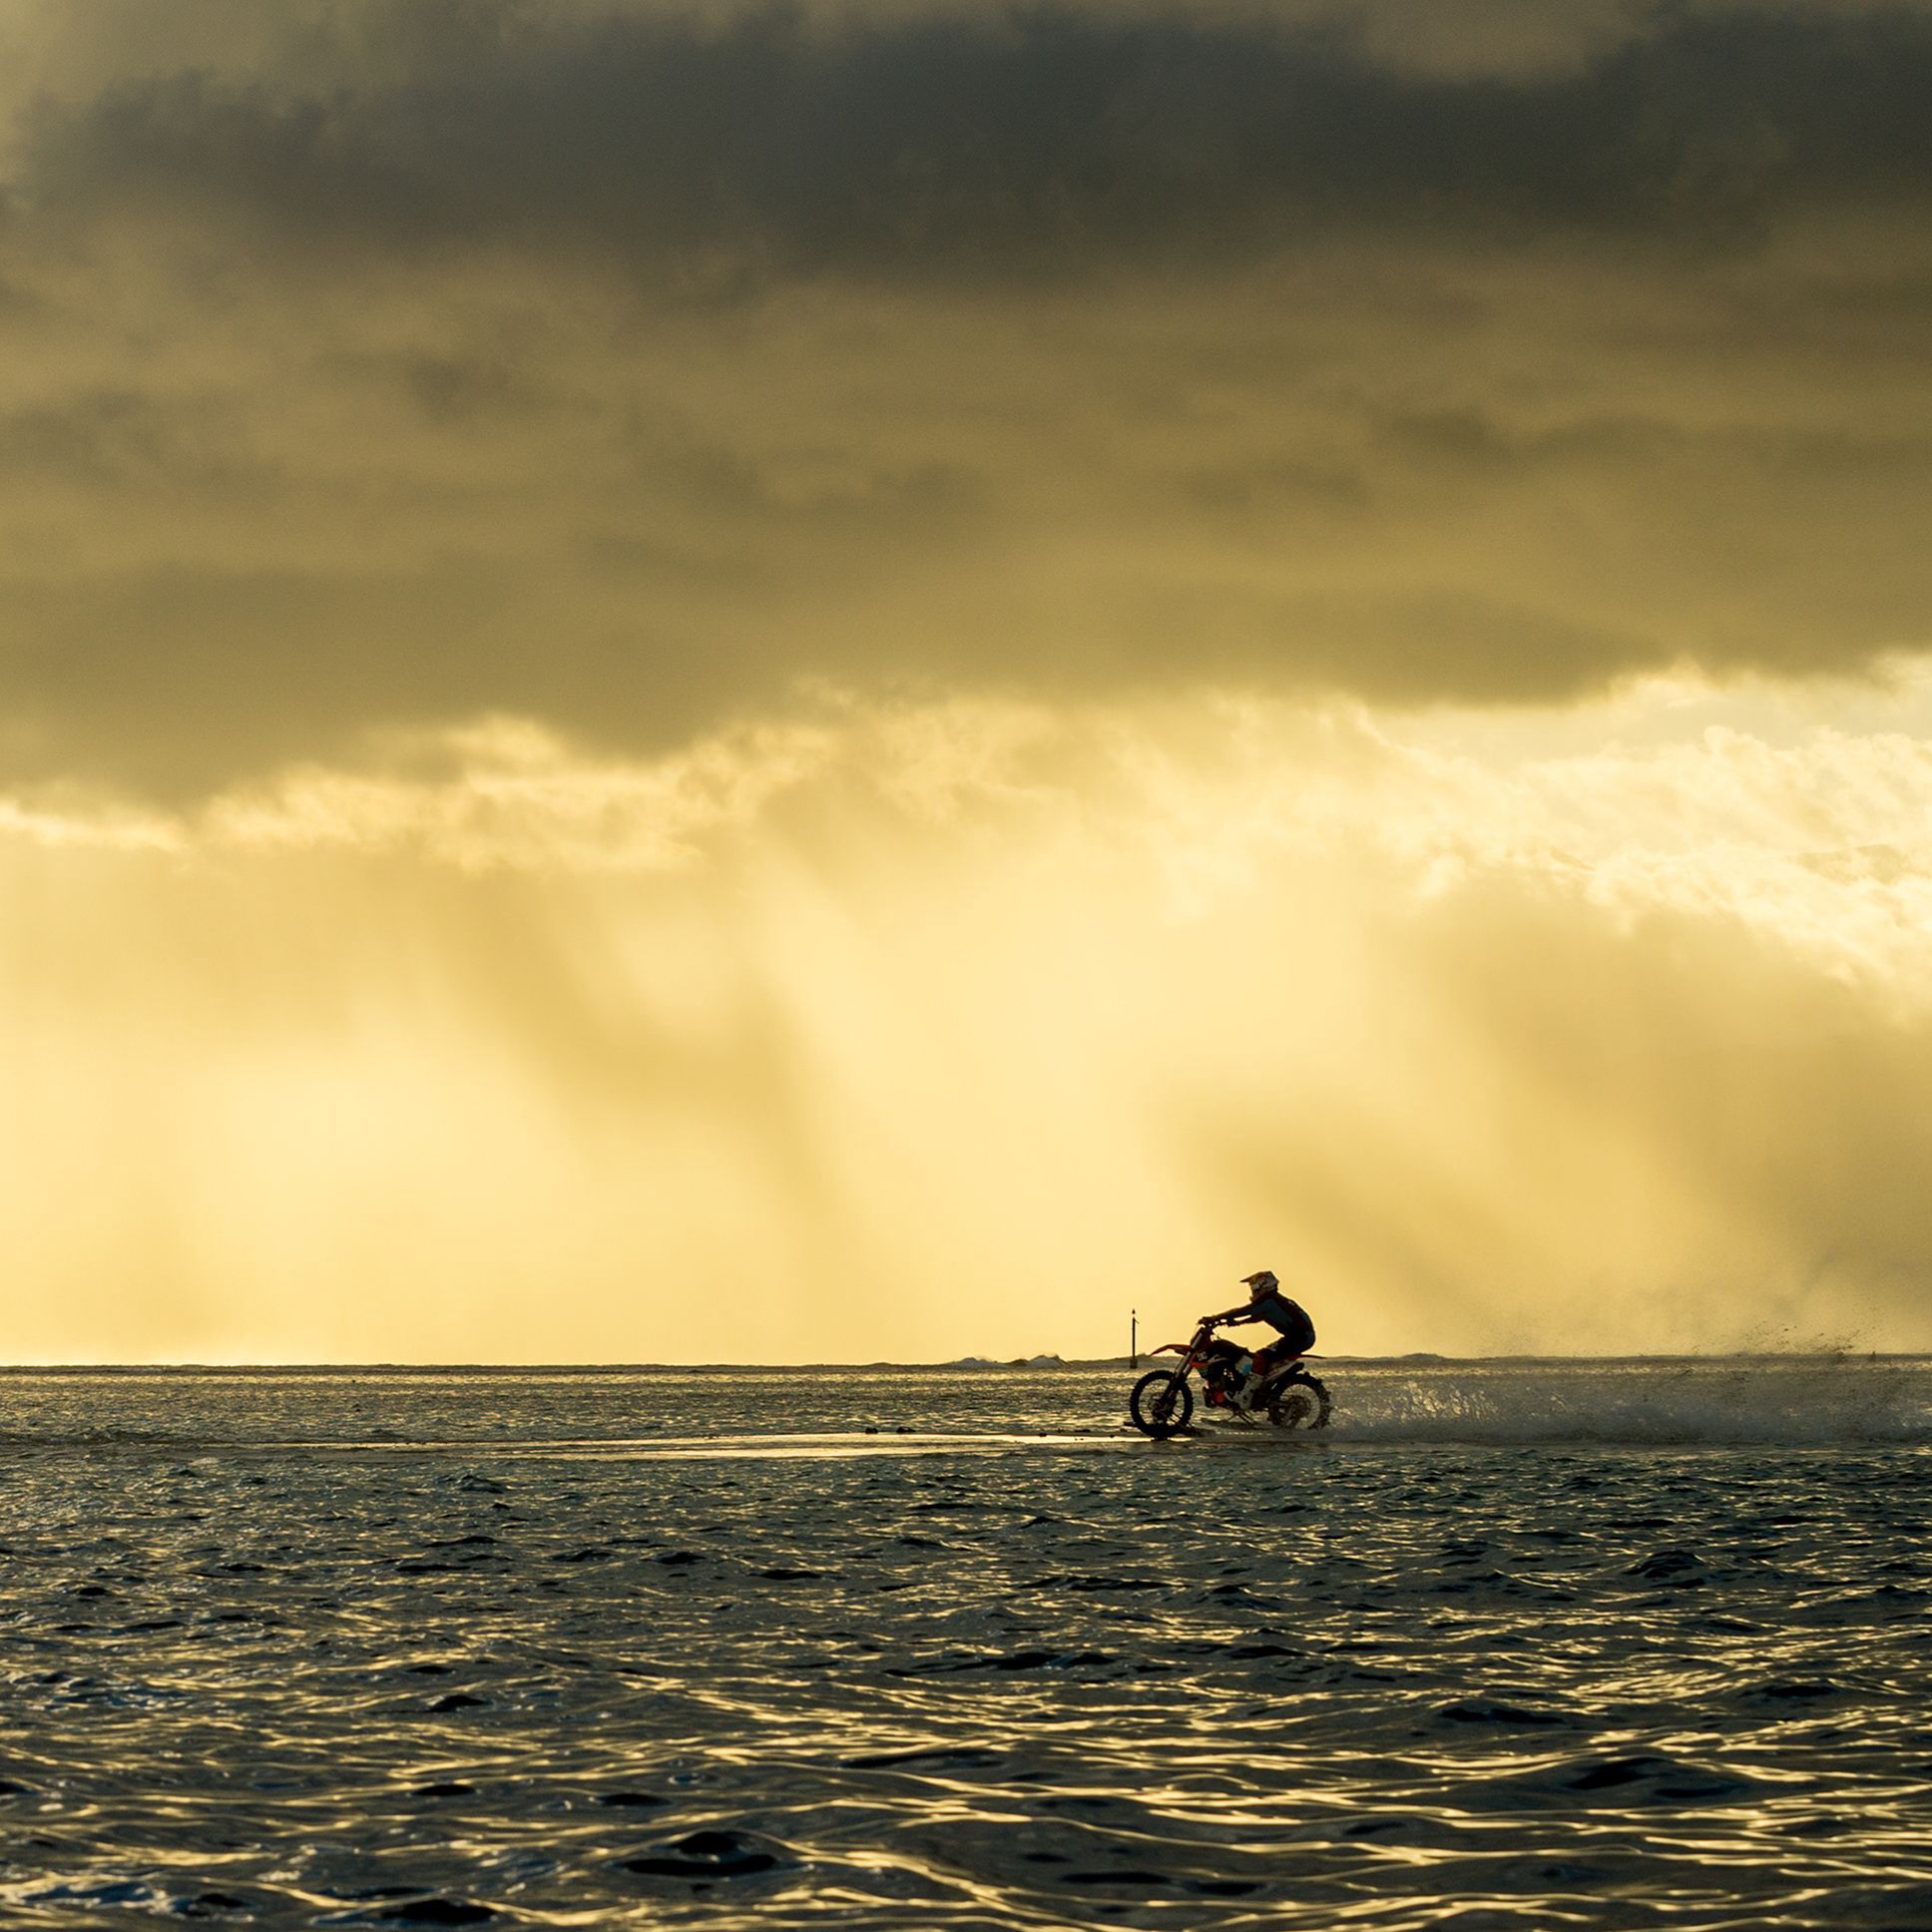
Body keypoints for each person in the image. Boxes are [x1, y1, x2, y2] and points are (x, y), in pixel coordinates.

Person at [1200, 1269, 1316, 1405]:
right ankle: (1257, 1389)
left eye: (1253, 1287)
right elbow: (1258, 1316)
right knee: (1262, 1358)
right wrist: (1238, 1323)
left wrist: (1214, 1318)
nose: (1252, 1291)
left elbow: (1242, 1311)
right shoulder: (1275, 1300)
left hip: (1299, 1338)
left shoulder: (1269, 1301)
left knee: (1261, 1356)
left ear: (1262, 1285)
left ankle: (1246, 1396)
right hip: (1301, 1336)